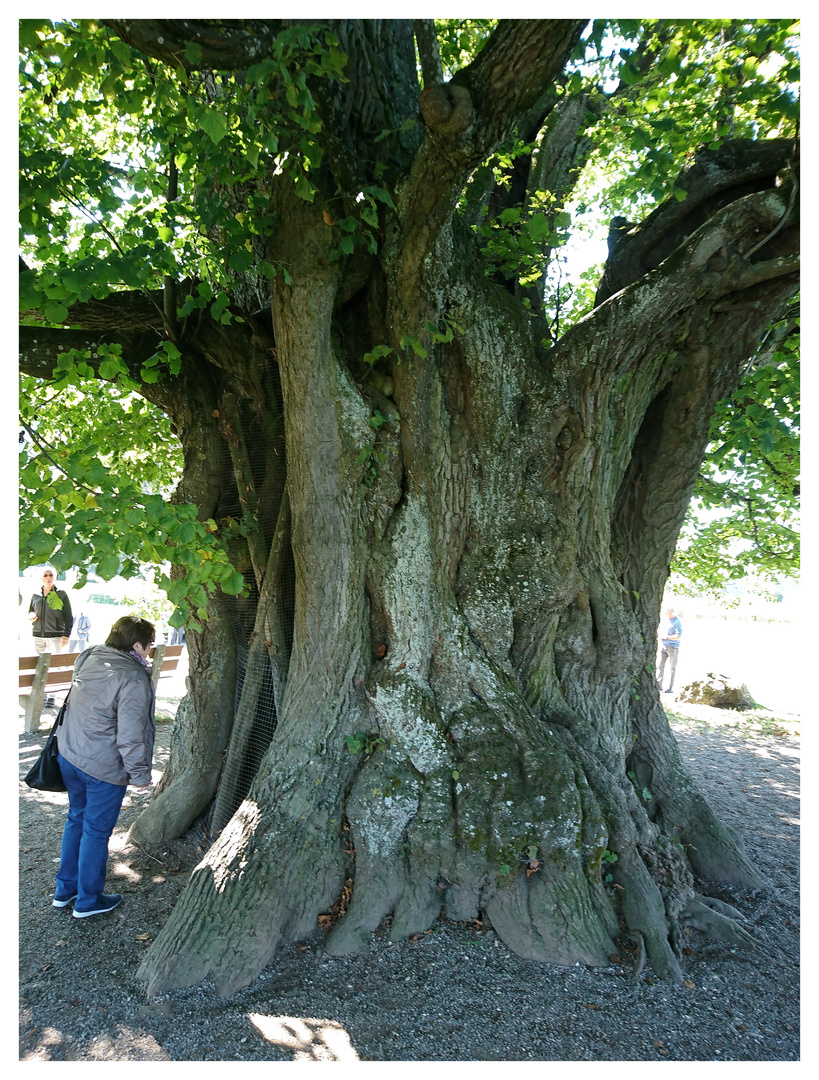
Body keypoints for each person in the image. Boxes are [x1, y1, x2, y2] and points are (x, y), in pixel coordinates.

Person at [53, 615, 156, 918]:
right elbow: (131, 733)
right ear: (136, 644)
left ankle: (65, 890)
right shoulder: (133, 678)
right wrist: (139, 773)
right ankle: (88, 901)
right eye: (149, 645)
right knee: (95, 832)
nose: (149, 651)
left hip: (70, 754)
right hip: (102, 767)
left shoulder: (91, 657)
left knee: (76, 820)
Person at [28, 567, 73, 654]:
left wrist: (66, 635)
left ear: (54, 577)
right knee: (38, 664)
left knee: (56, 664)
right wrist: (31, 616)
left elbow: (68, 615)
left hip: (55, 635)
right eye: (45, 575)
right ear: (41, 578)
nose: (48, 577)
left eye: (51, 575)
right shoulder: (35, 595)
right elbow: (30, 611)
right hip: (37, 635)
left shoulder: (61, 594)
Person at [657, 606, 683, 694]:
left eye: (669, 612)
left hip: (673, 647)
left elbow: (678, 635)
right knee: (660, 666)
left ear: (672, 612)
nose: (667, 614)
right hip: (663, 646)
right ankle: (659, 685)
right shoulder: (666, 620)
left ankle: (670, 687)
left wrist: (667, 637)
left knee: (672, 668)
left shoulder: (677, 622)